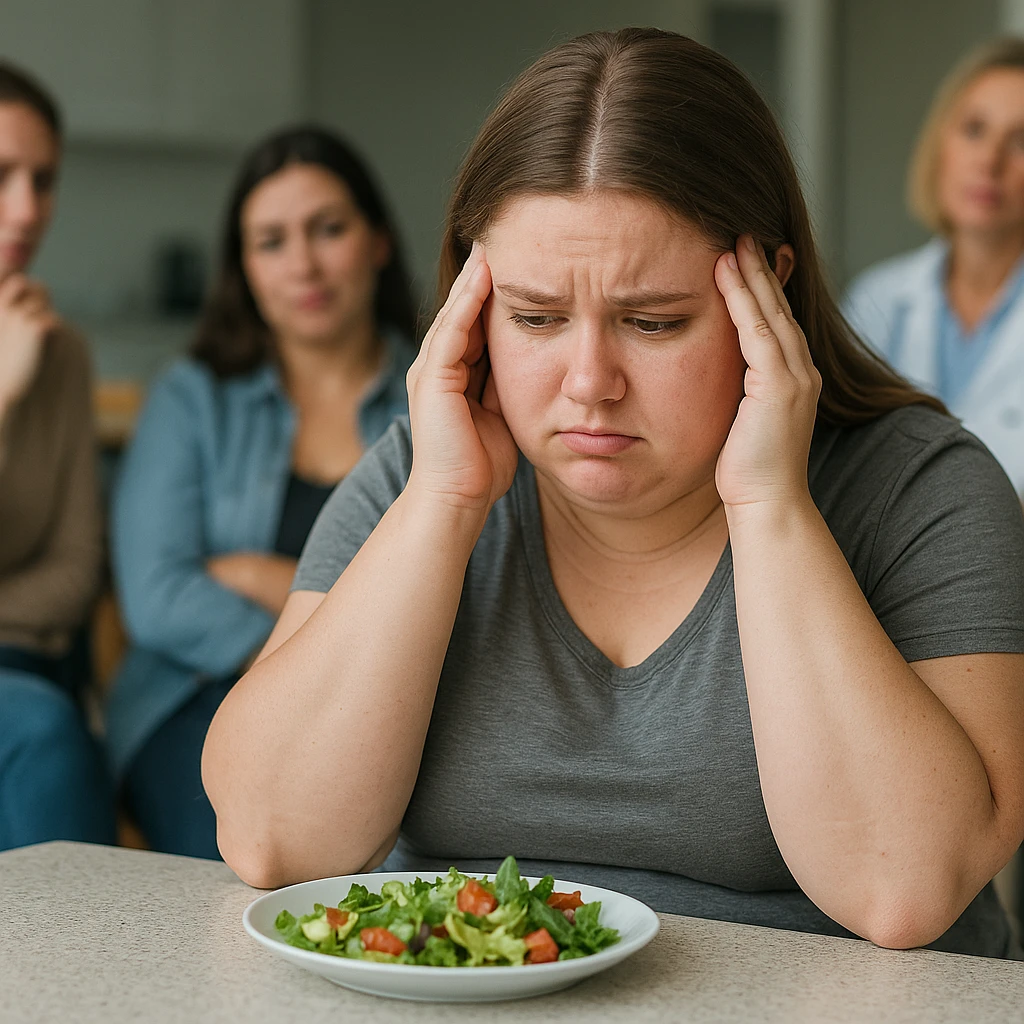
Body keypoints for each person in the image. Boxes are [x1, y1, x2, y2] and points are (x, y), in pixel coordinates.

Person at [202, 30, 1024, 958]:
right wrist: (441, 503)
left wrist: (770, 509)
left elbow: (905, 888)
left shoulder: (922, 488)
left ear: (768, 294)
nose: (589, 380)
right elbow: (272, 840)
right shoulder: (424, 472)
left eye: (653, 322)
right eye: (536, 317)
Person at [107, 126, 418, 859]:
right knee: (248, 856)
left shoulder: (437, 397)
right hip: (196, 699)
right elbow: (156, 593)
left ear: (377, 242)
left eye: (328, 229)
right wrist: (328, 647)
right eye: (270, 241)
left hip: (387, 713)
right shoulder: (191, 398)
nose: (302, 263)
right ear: (242, 268)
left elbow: (460, 600)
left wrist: (260, 576)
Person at [0, 62, 115, 850]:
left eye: (43, 180)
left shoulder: (62, 351)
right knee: (43, 732)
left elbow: (76, 576)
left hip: (35, 668)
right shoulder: (25, 359)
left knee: (51, 727)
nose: (26, 209)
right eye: (2, 175)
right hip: (28, 678)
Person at [844, 38, 1024, 493]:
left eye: (1021, 140)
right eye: (974, 129)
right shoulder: (876, 300)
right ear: (941, 143)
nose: (989, 161)